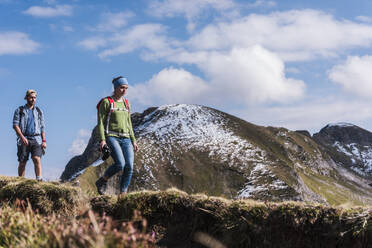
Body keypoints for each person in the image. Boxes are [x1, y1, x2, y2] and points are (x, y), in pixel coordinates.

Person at [95, 76, 138, 197]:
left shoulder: (126, 103)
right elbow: (101, 122)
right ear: (115, 88)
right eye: (122, 87)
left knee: (129, 166)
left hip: (126, 138)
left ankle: (123, 194)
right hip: (112, 137)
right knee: (120, 164)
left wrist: (133, 140)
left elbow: (129, 123)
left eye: (126, 88)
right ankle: (102, 181)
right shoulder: (106, 102)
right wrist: (102, 140)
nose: (124, 90)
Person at [13, 89, 46, 181]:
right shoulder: (20, 110)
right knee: (22, 162)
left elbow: (42, 127)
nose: (33, 99)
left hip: (36, 139)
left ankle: (39, 180)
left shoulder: (39, 111)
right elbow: (15, 125)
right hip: (24, 138)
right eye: (31, 97)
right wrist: (22, 137)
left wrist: (44, 141)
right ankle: (20, 181)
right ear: (27, 98)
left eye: (35, 98)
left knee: (37, 159)